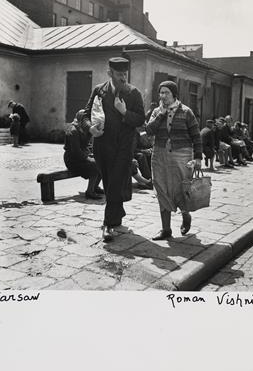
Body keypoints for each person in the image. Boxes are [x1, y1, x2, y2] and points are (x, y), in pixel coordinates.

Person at [84, 57, 145, 241]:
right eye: (119, 74)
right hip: (102, 146)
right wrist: (90, 128)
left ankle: (108, 225)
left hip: (124, 147)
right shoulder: (99, 91)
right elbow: (86, 113)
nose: (123, 78)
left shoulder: (133, 93)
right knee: (111, 183)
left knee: (116, 182)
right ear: (110, 73)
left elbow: (141, 119)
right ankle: (117, 214)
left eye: (125, 74)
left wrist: (124, 112)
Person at [146, 81, 202, 240]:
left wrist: (198, 157)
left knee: (181, 189)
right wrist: (161, 113)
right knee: (161, 188)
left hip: (182, 155)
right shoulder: (157, 111)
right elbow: (149, 130)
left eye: (166, 93)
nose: (163, 96)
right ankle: (166, 229)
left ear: (174, 94)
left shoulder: (186, 112)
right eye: (161, 93)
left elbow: (196, 136)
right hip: (160, 154)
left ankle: (186, 215)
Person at [63, 110, 102, 199]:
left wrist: (91, 154)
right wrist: (89, 158)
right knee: (95, 165)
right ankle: (90, 191)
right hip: (72, 159)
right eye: (86, 119)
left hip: (82, 155)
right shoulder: (72, 130)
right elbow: (76, 151)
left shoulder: (85, 129)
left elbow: (88, 145)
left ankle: (95, 187)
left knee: (102, 162)